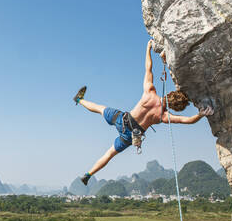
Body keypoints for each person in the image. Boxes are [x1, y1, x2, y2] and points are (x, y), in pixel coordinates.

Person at [73, 39, 214, 185]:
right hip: (130, 135)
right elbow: (188, 121)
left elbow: (148, 68)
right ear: (175, 107)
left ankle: (79, 100)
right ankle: (88, 175)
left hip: (122, 119)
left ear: (171, 94)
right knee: (109, 154)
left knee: (99, 109)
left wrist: (148, 49)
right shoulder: (163, 116)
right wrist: (201, 114)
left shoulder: (149, 93)